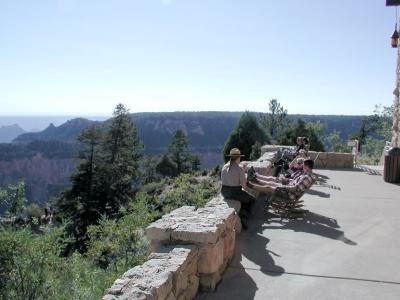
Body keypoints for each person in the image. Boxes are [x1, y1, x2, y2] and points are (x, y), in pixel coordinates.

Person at [247, 159, 315, 202]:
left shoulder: (306, 177)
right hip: (288, 188)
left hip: (289, 194)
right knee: (271, 182)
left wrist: (282, 186)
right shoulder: (306, 174)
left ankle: (250, 185)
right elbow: (294, 183)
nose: (302, 167)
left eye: (303, 166)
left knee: (269, 187)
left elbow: (295, 189)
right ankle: (255, 178)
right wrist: (285, 181)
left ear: (306, 167)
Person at [221, 148, 256, 229]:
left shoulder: (224, 166)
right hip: (235, 192)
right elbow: (244, 186)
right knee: (252, 200)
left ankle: (241, 215)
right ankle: (245, 218)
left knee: (243, 200)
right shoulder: (239, 169)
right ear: (238, 157)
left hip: (224, 192)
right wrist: (243, 172)